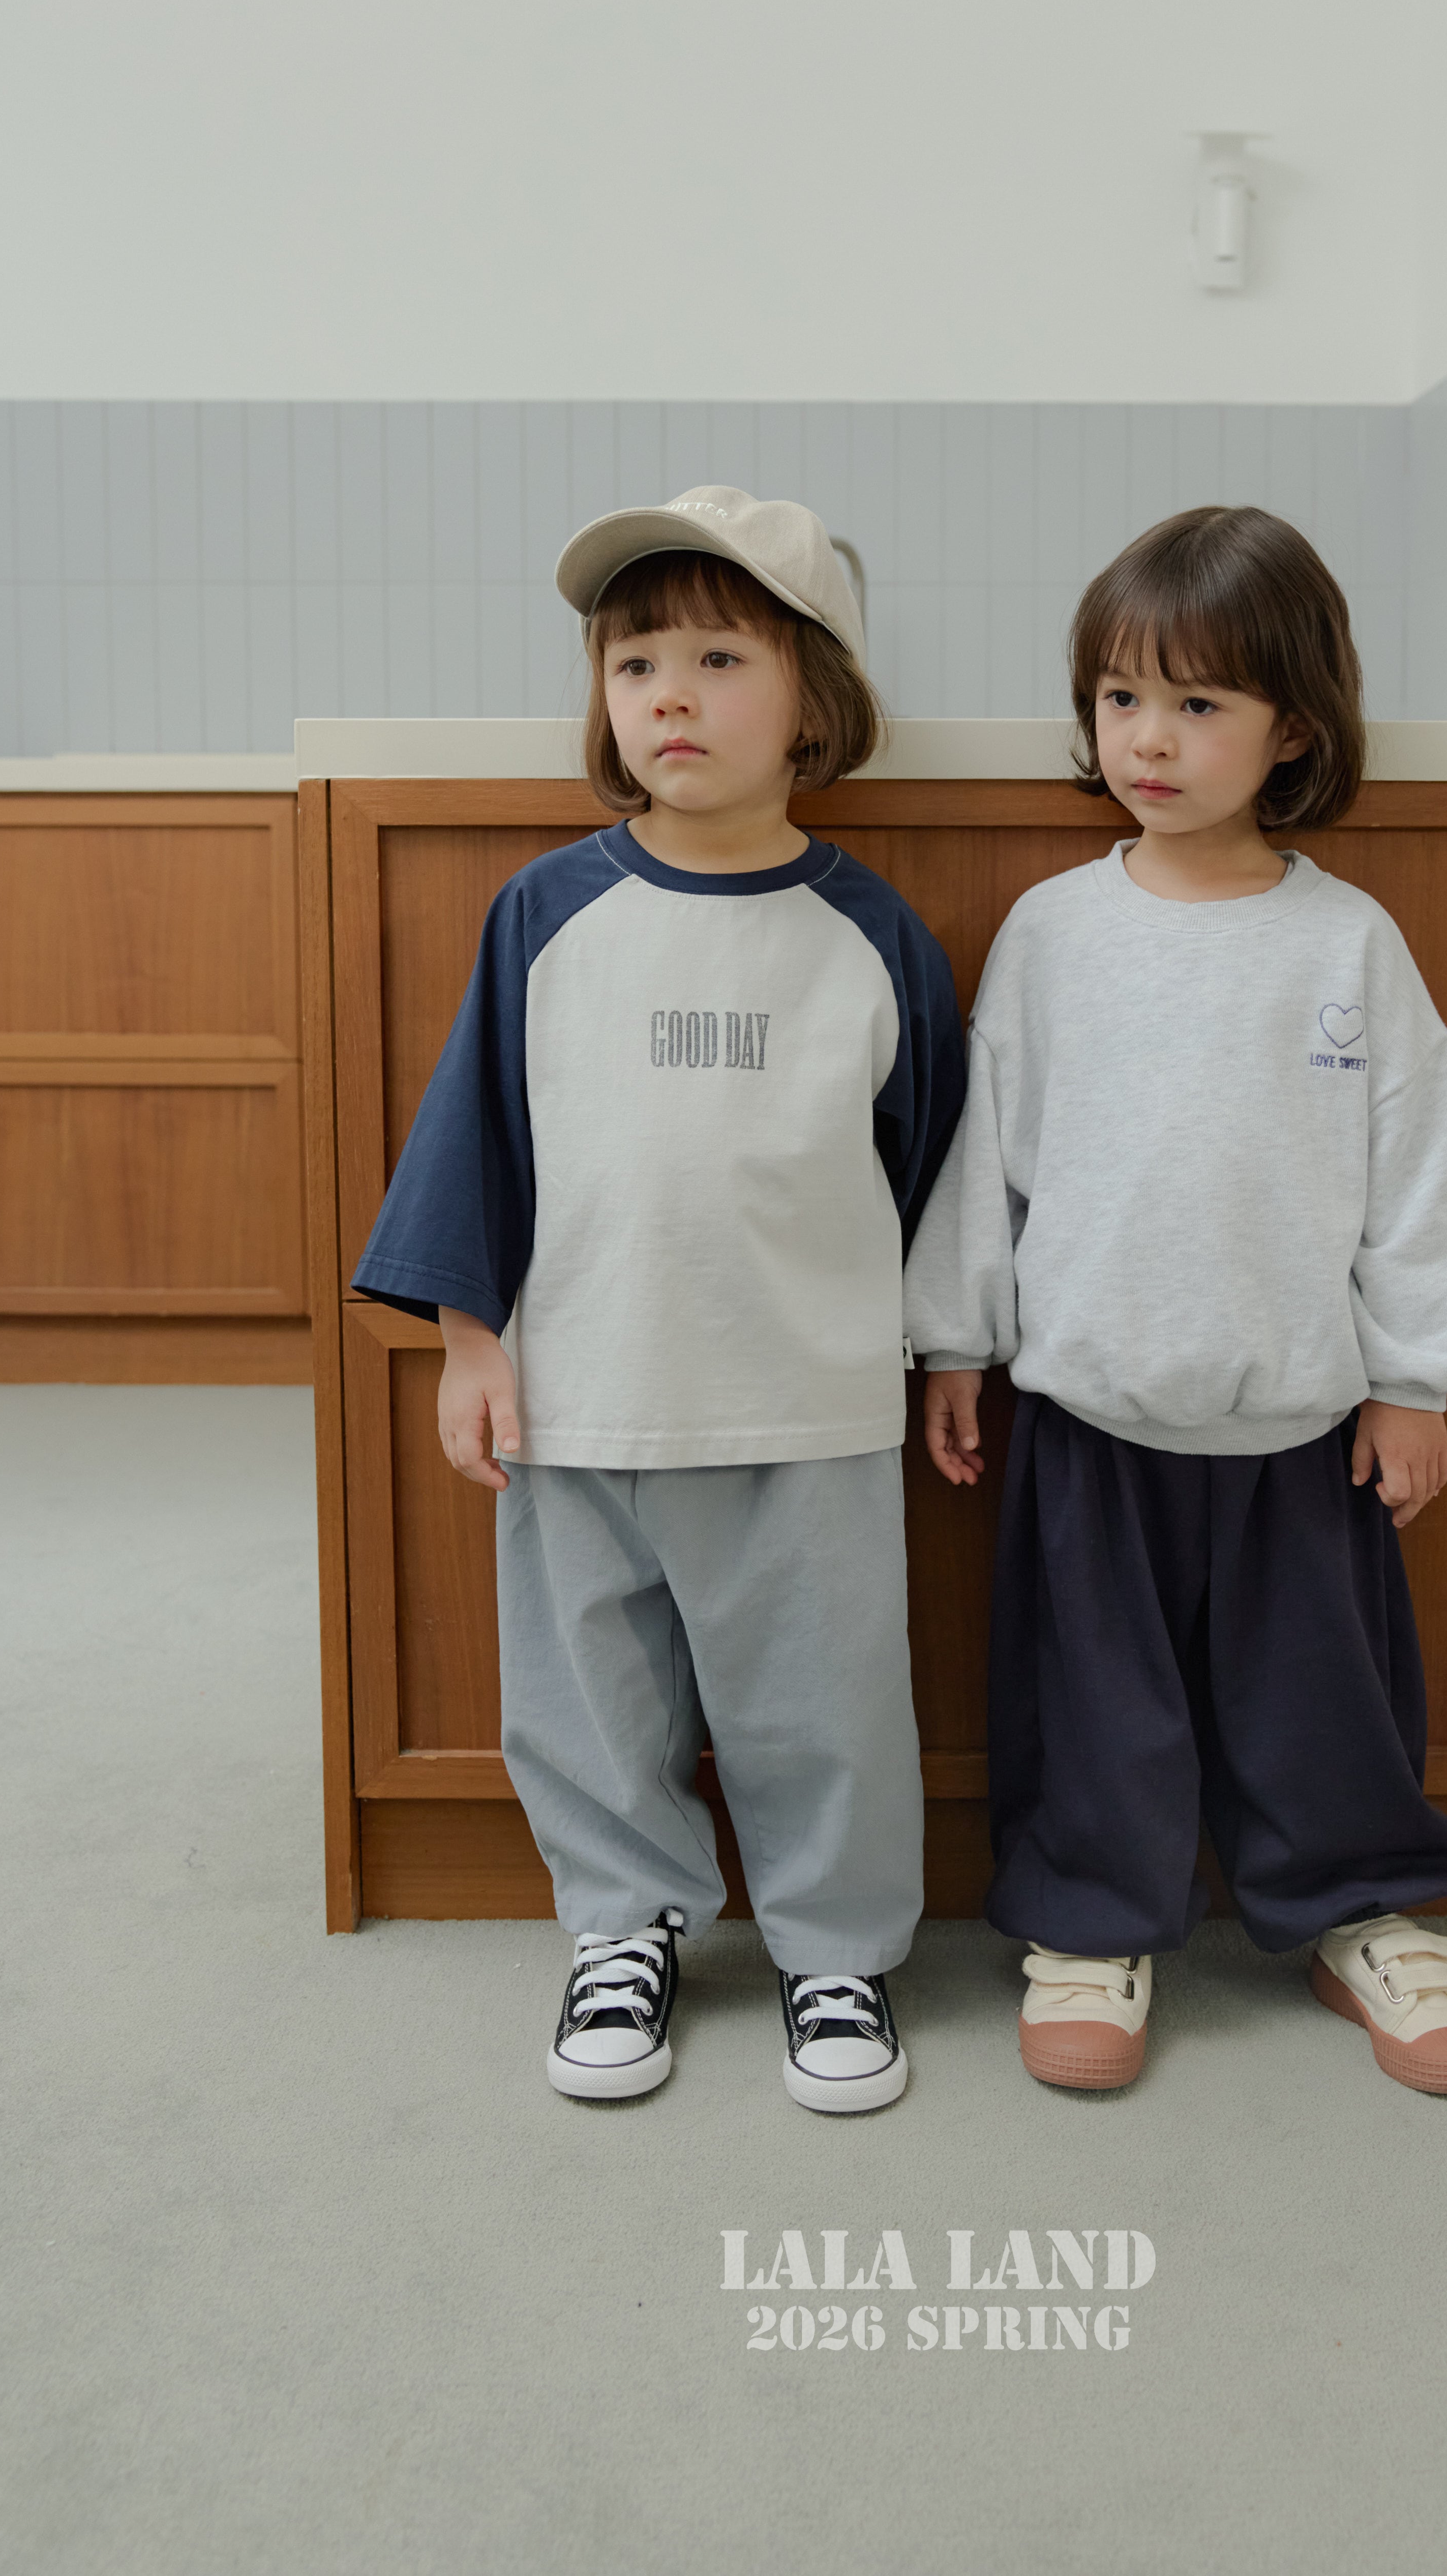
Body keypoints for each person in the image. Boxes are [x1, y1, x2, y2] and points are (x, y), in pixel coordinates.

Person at [354, 487, 964, 2116]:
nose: (669, 698)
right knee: (589, 1694)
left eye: (718, 658)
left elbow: (926, 1169)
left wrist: (928, 1348)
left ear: (816, 700)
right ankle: (622, 1927)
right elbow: (477, 1139)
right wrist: (470, 1346)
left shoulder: (871, 937)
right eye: (635, 666)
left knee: (827, 1698)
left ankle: (837, 1953)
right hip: (582, 1395)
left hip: (811, 1404)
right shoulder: (547, 915)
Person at [906, 504, 1447, 2098]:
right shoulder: (1054, 931)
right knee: (1093, 1698)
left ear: (1291, 727)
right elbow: (988, 1156)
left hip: (1303, 1418)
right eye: (1120, 698)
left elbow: (1415, 1171)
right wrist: (955, 1340)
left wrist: (1416, 1379)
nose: (1149, 740)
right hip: (1091, 1409)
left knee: (1323, 1700)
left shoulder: (1349, 942)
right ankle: (1092, 1921)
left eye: (1197, 702)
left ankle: (1360, 1914)